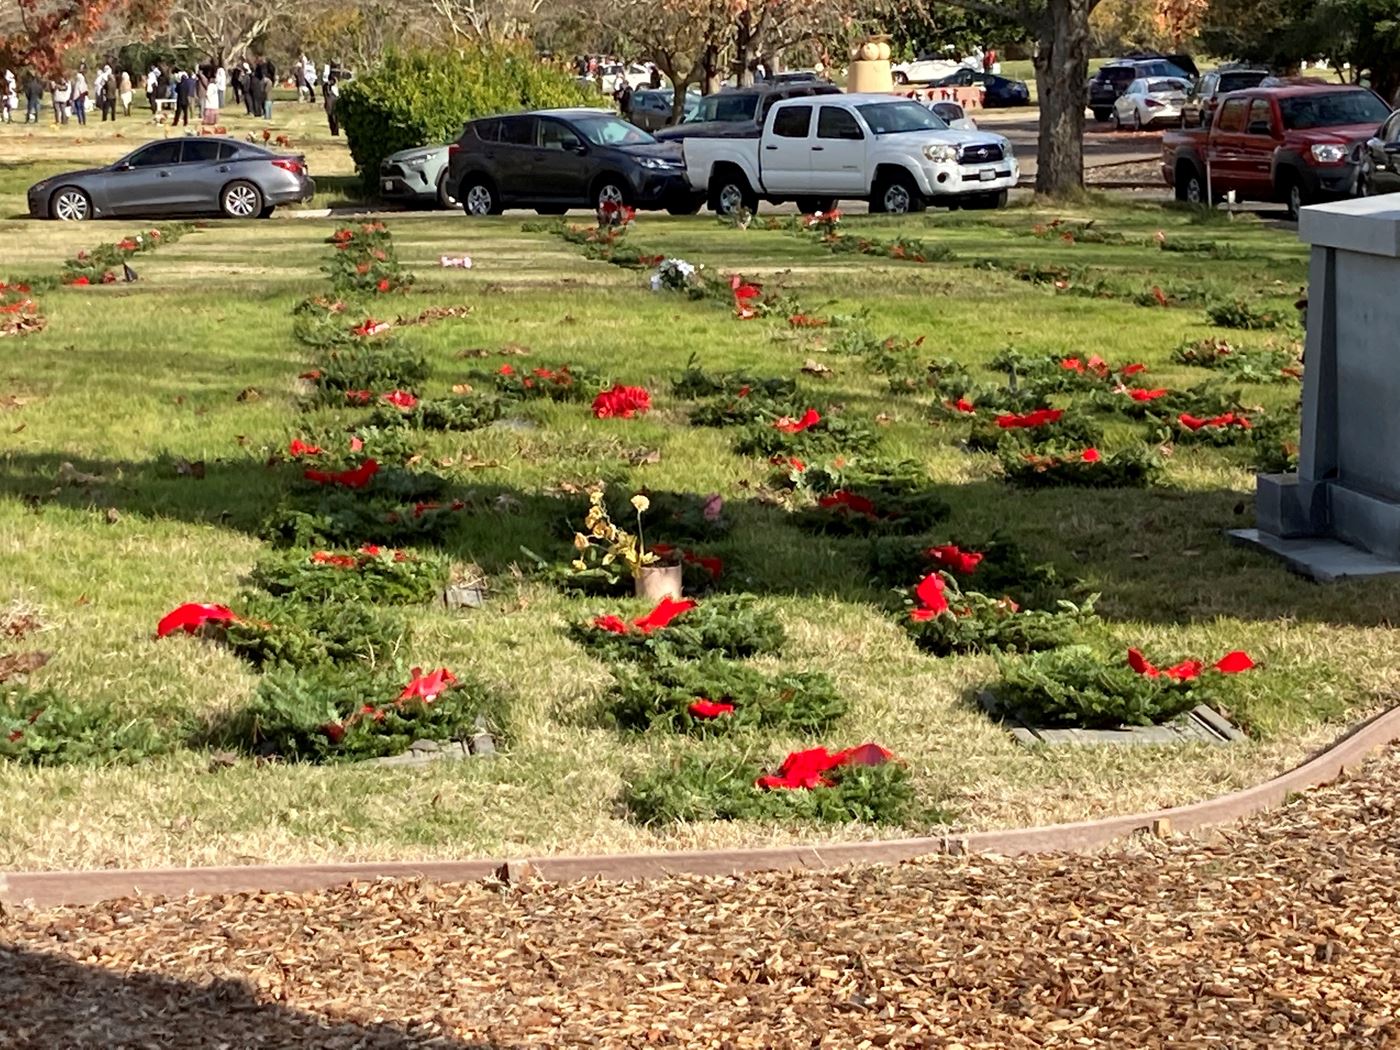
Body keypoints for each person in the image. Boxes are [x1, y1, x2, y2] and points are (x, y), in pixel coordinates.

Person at [323, 70, 339, 135]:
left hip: (331, 104)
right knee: (333, 118)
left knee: (333, 119)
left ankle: (334, 131)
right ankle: (334, 131)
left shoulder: (329, 86)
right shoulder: (328, 86)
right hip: (331, 104)